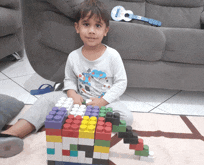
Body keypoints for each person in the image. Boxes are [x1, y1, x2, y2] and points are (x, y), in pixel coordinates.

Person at [0, 0, 133, 158]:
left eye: (98, 26)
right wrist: (71, 93)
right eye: (86, 24)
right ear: (77, 27)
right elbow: (69, 80)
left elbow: (121, 83)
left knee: (126, 117)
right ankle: (11, 134)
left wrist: (103, 101)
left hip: (105, 103)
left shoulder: (112, 56)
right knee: (47, 99)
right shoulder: (73, 56)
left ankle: (80, 126)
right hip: (79, 100)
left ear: (105, 30)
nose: (91, 31)